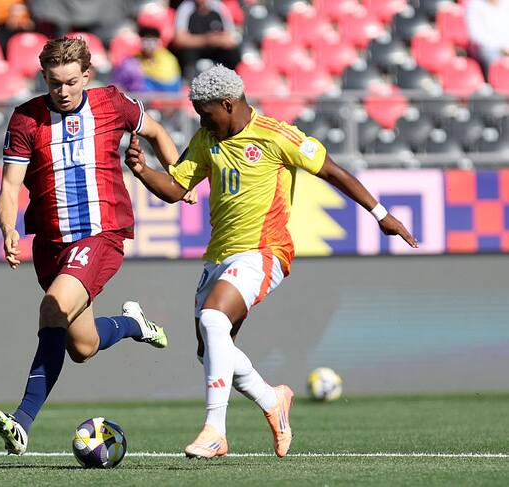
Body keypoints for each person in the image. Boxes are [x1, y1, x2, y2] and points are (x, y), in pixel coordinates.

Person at [125, 65, 418, 458]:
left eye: (205, 113)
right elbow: (177, 188)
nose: (201, 121)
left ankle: (215, 431)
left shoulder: (276, 135)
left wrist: (381, 214)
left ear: (227, 104)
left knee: (214, 320)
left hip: (265, 251)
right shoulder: (206, 139)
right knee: (210, 351)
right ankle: (272, 400)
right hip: (219, 255)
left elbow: (332, 171)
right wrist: (143, 171)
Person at [0, 36, 182, 455]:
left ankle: (21, 422)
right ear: (44, 78)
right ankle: (133, 324)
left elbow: (155, 130)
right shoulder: (26, 119)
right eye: (54, 82)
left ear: (87, 76)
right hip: (51, 245)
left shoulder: (112, 103)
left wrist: (179, 178)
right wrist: (7, 228)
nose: (63, 91)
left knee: (52, 307)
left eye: (71, 82)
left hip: (101, 233)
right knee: (83, 346)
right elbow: (9, 187)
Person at [172, 0, 242, 79]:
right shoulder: (186, 7)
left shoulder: (219, 7)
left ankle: (230, 79)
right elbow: (179, 40)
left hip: (216, 50)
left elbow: (231, 38)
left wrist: (217, 40)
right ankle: (187, 80)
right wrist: (206, 40)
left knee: (233, 54)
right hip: (195, 50)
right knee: (186, 54)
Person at [112, 26, 183, 93]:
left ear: (158, 42)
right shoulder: (131, 62)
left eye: (152, 41)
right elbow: (119, 83)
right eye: (146, 40)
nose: (149, 45)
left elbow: (169, 81)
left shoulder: (168, 59)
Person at [465, 0, 509, 77]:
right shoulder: (474, 6)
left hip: (506, 46)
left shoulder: (506, 3)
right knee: (491, 57)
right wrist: (501, 47)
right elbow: (476, 36)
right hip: (489, 48)